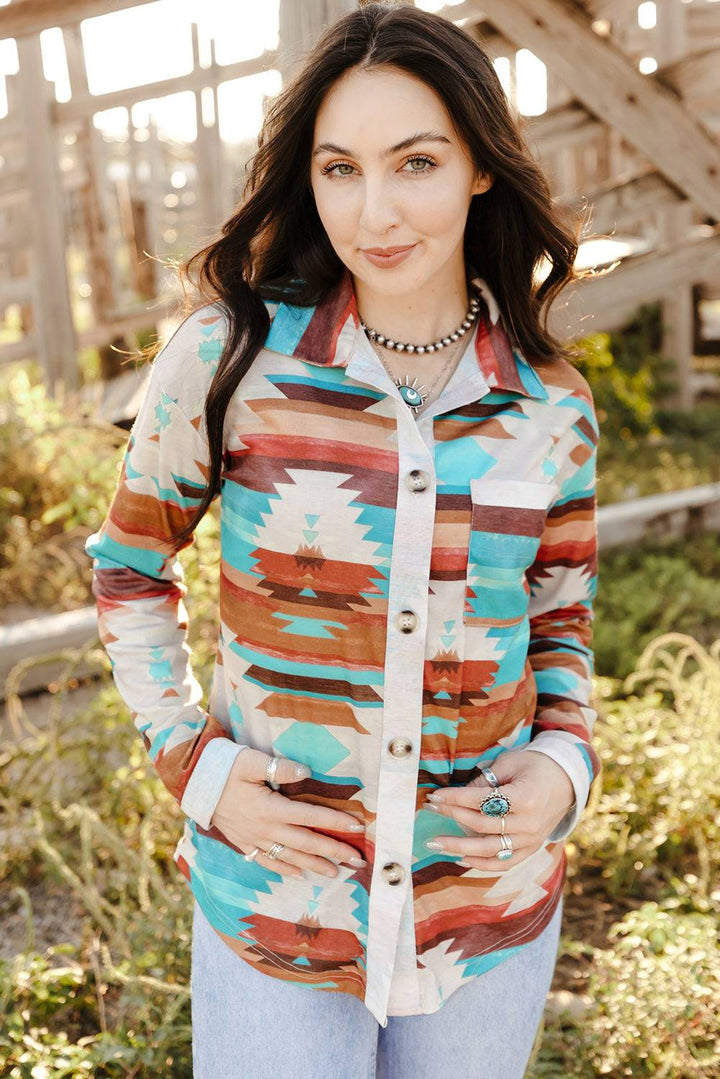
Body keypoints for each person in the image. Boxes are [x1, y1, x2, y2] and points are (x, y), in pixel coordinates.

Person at [84, 3, 601, 1076]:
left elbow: (561, 619)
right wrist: (194, 763)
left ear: (481, 168)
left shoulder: (551, 406)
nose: (375, 212)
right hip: (278, 915)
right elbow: (130, 568)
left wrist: (565, 764)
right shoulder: (229, 359)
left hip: (484, 916)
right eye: (339, 168)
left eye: (415, 162)